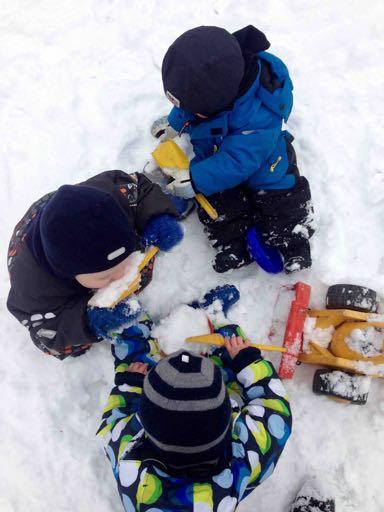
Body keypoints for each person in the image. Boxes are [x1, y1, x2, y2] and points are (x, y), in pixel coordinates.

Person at [151, 25, 314, 273]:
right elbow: (188, 106)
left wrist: (196, 178)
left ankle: (293, 240)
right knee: (214, 203)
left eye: (195, 110)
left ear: (221, 102)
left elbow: (240, 160)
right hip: (218, 158)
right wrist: (175, 124)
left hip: (261, 162)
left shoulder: (259, 113)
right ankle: (233, 244)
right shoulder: (211, 90)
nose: (190, 112)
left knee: (281, 196)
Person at [96, 310, 292, 510]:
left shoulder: (129, 454)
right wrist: (248, 361)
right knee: (232, 352)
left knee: (133, 366)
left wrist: (130, 385)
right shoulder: (241, 463)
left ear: (145, 420)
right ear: (225, 420)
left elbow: (111, 425)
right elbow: (275, 412)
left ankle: (133, 325)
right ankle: (217, 318)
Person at [7, 170, 183, 359]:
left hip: (84, 207)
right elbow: (45, 328)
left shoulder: (111, 198)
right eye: (103, 276)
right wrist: (89, 323)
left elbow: (139, 187)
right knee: (62, 344)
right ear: (69, 273)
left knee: (141, 249)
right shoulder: (33, 286)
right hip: (33, 235)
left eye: (123, 264)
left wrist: (157, 218)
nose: (119, 276)